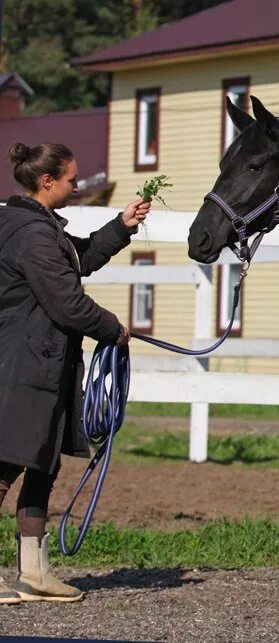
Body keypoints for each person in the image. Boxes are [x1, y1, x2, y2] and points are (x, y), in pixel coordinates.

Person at [0, 142, 150, 604]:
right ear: (47, 182)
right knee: (6, 464)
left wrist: (120, 227)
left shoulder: (41, 228)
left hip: (44, 361)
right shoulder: (31, 235)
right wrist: (113, 329)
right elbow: (65, 301)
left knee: (42, 463)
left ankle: (35, 572)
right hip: (26, 363)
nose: (77, 185)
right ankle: (31, 571)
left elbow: (78, 261)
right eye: (71, 179)